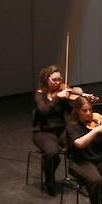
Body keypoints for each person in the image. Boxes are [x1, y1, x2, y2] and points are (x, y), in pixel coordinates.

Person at [66, 96, 102, 204]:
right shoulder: (72, 127)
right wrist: (96, 131)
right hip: (79, 162)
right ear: (77, 111)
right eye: (84, 111)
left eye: (90, 110)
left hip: (99, 159)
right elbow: (80, 143)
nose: (88, 113)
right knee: (95, 180)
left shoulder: (98, 124)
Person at [33, 65, 73, 196]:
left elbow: (72, 112)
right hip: (43, 132)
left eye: (59, 79)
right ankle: (49, 180)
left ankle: (81, 176)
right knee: (52, 153)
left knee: (78, 144)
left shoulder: (62, 95)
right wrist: (57, 98)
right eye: (54, 80)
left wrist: (81, 102)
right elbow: (44, 111)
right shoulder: (40, 95)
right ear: (46, 79)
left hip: (60, 131)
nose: (58, 83)